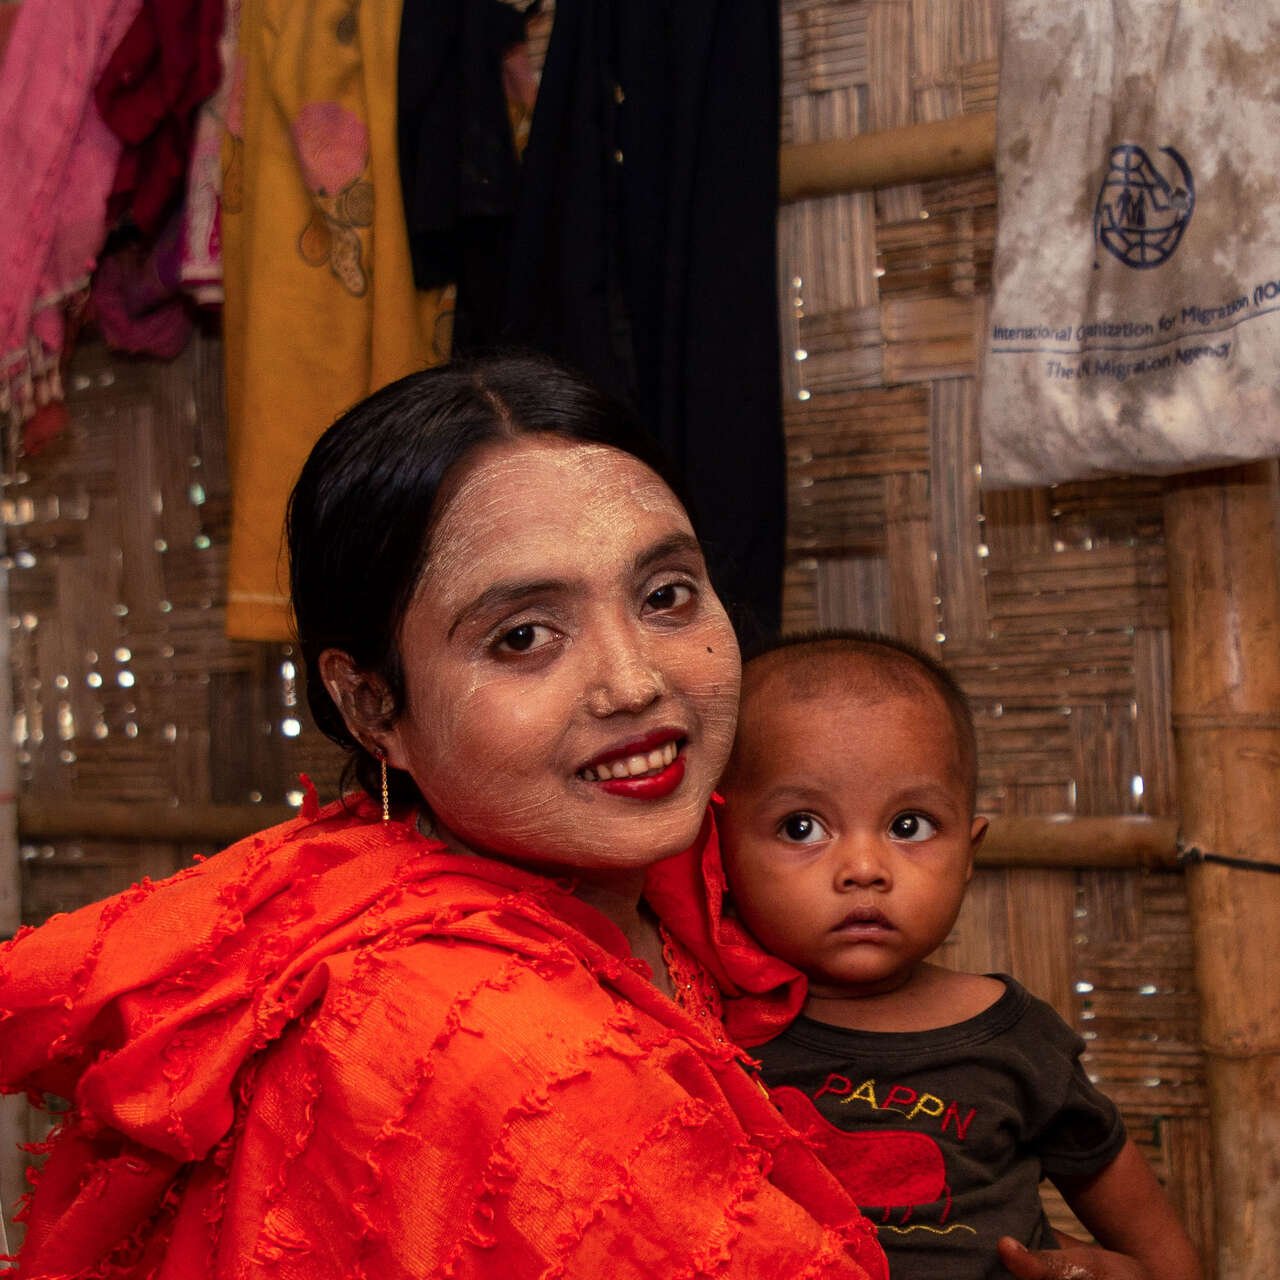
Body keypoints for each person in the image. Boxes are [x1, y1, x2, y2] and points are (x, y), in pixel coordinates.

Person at [0, 358, 888, 1279]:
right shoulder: (482, 1043)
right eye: (524, 637)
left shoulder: (697, 890)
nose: (635, 682)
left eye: (665, 595)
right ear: (374, 707)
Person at [715, 632, 1202, 1280]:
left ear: (969, 853)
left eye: (909, 826)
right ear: (717, 848)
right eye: (802, 826)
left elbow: (1166, 1261)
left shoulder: (1019, 1040)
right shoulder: (709, 1033)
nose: (864, 868)